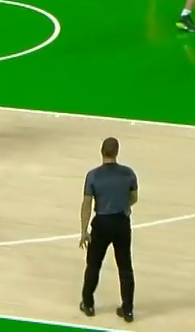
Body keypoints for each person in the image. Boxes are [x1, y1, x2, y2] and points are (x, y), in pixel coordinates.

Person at [79, 136, 138, 323]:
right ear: (117, 152)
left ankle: (88, 304)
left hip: (102, 224)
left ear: (101, 151)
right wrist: (122, 204)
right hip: (121, 223)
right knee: (125, 267)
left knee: (94, 265)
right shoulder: (128, 174)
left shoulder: (93, 176)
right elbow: (134, 198)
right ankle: (127, 309)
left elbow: (87, 204)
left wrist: (84, 231)